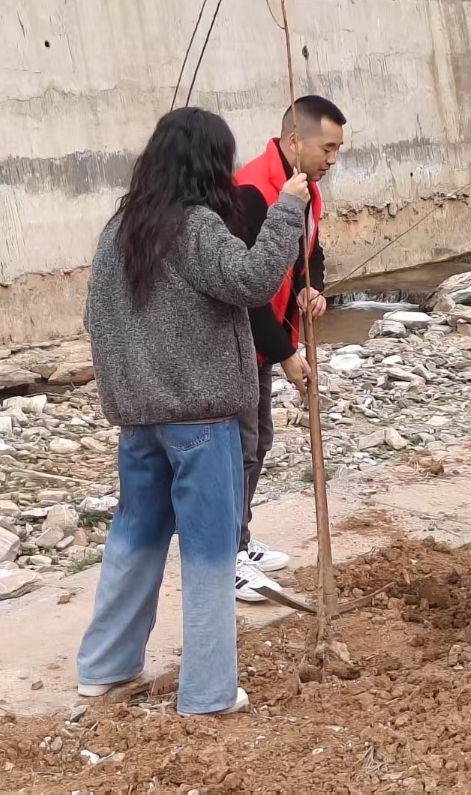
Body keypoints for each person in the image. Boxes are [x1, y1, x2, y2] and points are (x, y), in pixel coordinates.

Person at [76, 106, 310, 715]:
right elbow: (252, 281)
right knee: (210, 554)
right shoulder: (197, 226)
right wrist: (289, 208)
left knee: (134, 539)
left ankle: (104, 667)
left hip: (139, 421)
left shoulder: (120, 228)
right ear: (209, 163)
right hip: (201, 422)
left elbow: (96, 320)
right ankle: (207, 693)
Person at [231, 94, 345, 602]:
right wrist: (285, 354)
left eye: (338, 150)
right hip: (241, 340)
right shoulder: (253, 190)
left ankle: (240, 537)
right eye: (327, 148)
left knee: (258, 443)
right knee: (242, 448)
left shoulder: (304, 188)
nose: (332, 160)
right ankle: (227, 555)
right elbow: (248, 288)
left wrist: (309, 287)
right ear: (295, 141)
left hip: (269, 335)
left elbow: (308, 251)